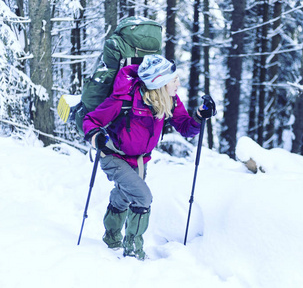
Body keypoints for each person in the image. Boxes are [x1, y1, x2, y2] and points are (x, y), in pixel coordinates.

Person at [83, 54, 215, 260]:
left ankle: (111, 238)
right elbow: (91, 120)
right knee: (143, 197)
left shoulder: (169, 100)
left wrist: (199, 115)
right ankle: (134, 249)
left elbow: (186, 128)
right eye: (174, 80)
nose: (178, 83)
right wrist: (95, 136)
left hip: (139, 160)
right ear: (160, 83)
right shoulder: (124, 98)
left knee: (125, 195)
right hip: (113, 155)